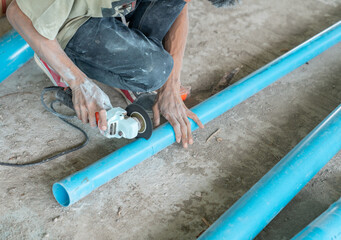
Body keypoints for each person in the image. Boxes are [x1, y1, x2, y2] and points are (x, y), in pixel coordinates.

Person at [6, 0, 235, 148]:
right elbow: (16, 13)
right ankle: (56, 59)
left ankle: (123, 66)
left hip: (105, 8)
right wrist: (77, 81)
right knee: (156, 69)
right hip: (71, 22)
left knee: (163, 67)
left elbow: (179, 4)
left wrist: (171, 87)